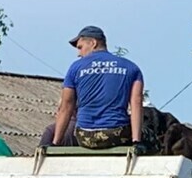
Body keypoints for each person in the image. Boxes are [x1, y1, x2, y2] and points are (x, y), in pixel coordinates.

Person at [50, 25, 146, 154]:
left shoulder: (75, 68)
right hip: (116, 134)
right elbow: (136, 102)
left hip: (85, 136)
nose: (79, 53)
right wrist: (136, 142)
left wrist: (55, 143)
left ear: (93, 43)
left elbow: (66, 106)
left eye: (80, 47)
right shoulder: (131, 67)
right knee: (149, 134)